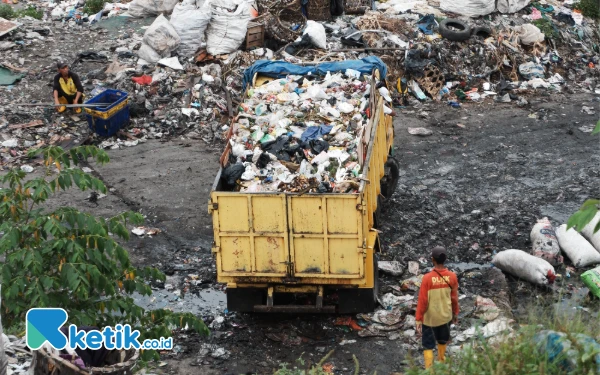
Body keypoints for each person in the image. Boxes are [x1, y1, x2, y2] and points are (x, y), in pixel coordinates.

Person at [415, 246, 459, 369]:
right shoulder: (452, 276)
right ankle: (441, 365)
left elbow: (423, 301)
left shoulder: (427, 278)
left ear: (432, 259)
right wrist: (455, 313)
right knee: (442, 341)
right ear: (445, 259)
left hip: (430, 319)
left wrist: (418, 319)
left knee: (428, 345)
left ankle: (430, 371)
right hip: (446, 316)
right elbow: (454, 298)